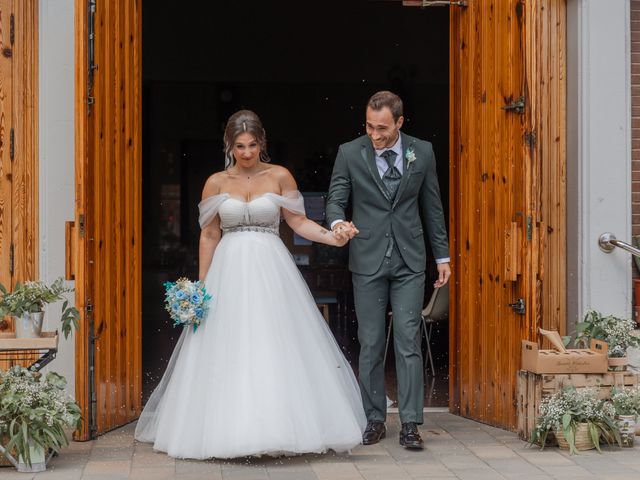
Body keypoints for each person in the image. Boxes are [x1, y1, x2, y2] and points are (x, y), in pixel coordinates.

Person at [135, 110, 367, 459]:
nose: (246, 153)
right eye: (240, 146)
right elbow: (210, 233)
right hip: (228, 270)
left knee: (273, 341)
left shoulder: (279, 176)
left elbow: (299, 222)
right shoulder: (215, 182)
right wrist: (202, 285)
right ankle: (225, 430)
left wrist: (333, 239)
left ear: (262, 143)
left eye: (253, 145)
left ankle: (279, 427)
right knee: (226, 344)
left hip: (270, 268)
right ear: (229, 145)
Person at [326, 91, 451, 450]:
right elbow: (336, 197)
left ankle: (411, 422)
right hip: (367, 258)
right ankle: (374, 418)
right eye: (369, 126)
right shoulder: (350, 153)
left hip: (410, 260)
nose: (375, 134)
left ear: (399, 122)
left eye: (382, 128)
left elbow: (433, 207)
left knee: (408, 339)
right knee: (371, 341)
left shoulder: (422, 152)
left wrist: (442, 257)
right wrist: (337, 223)